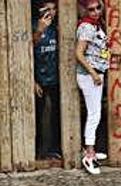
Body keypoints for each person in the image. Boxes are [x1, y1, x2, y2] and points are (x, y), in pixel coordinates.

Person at [75, 0, 109, 175]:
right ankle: (89, 154)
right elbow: (79, 53)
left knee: (95, 112)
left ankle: (92, 148)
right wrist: (93, 73)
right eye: (91, 9)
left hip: (96, 73)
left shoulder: (97, 25)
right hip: (90, 75)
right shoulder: (87, 27)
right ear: (84, 10)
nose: (95, 12)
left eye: (98, 8)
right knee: (94, 114)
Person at [33, 0, 61, 160]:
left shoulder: (59, 27)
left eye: (54, 9)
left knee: (56, 115)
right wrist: (39, 30)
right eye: (47, 9)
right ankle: (37, 151)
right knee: (38, 116)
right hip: (39, 79)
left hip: (56, 78)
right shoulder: (33, 25)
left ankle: (54, 150)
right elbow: (24, 50)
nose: (51, 12)